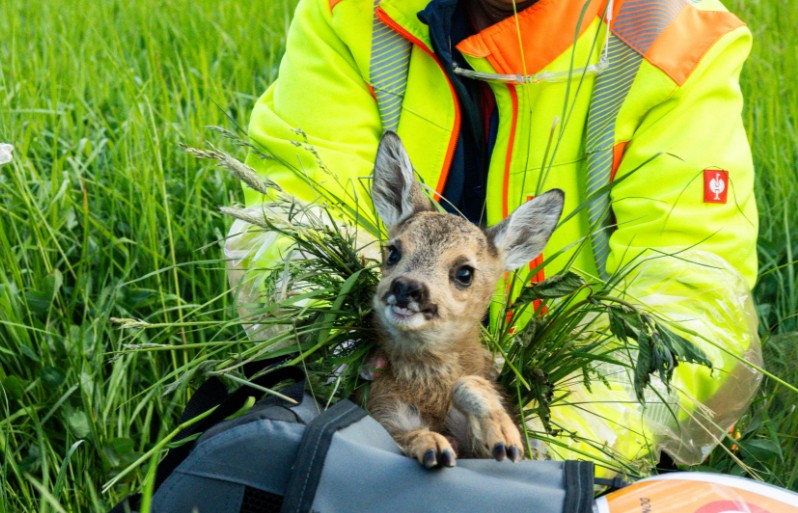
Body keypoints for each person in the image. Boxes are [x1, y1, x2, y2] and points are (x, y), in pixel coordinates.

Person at [224, 0, 761, 476]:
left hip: (561, 417)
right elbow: (293, 215)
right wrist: (345, 343)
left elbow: (690, 292)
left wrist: (551, 446)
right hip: (375, 393)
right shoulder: (350, 10)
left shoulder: (679, 36)